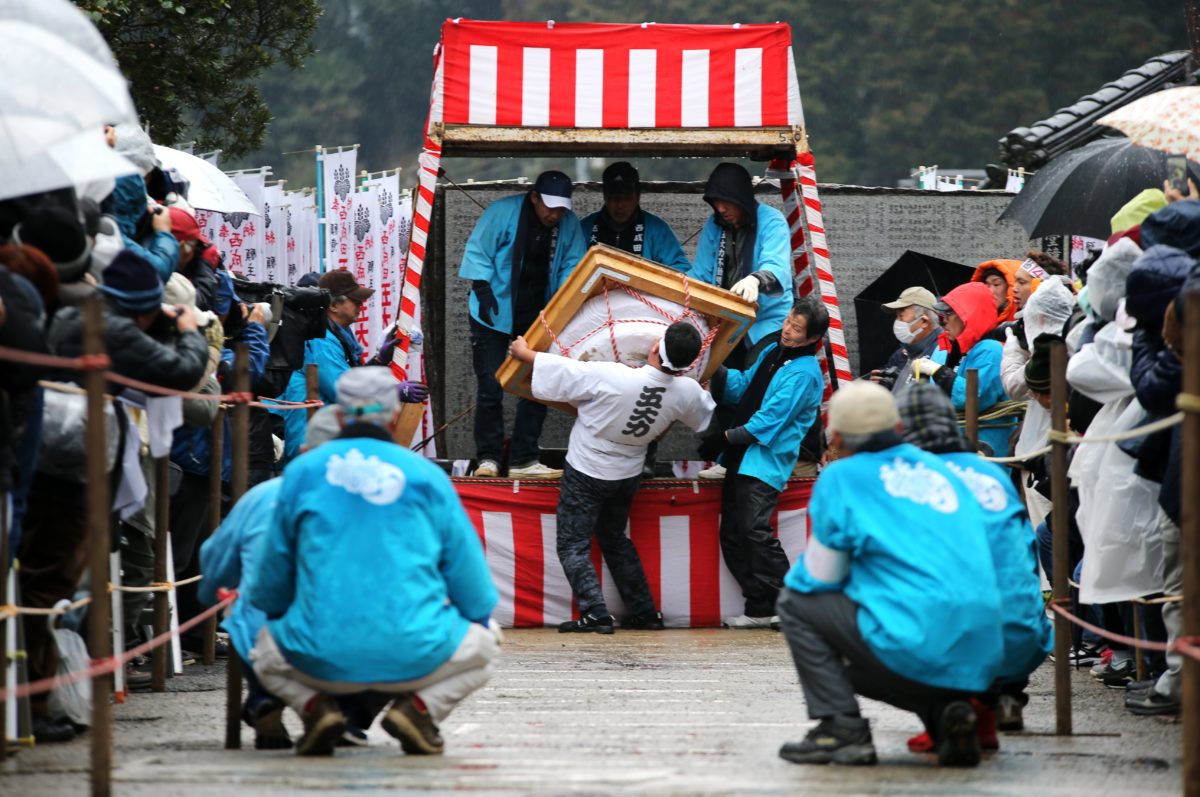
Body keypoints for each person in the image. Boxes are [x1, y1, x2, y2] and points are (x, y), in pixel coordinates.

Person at [251, 367, 499, 757]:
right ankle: (418, 710)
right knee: (486, 644)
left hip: (318, 654)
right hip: (415, 650)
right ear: (393, 414)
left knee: (263, 649)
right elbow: (474, 587)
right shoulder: (425, 475)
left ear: (340, 414)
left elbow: (269, 585)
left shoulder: (301, 473)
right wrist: (475, 616)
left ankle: (316, 708)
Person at [20, 250, 209, 742]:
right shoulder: (115, 329)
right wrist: (189, 330)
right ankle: (34, 706)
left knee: (48, 585)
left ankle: (38, 700)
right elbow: (180, 374)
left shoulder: (70, 315)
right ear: (141, 306)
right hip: (75, 468)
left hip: (43, 457)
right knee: (53, 589)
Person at [775, 380, 1002, 769]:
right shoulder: (944, 470)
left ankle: (842, 728)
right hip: (986, 653)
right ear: (898, 428)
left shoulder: (840, 477)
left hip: (913, 637)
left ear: (839, 440)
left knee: (796, 604)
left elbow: (819, 579)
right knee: (911, 625)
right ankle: (947, 712)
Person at [508, 321, 716, 633]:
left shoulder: (613, 375)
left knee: (572, 544)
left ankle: (596, 613)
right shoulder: (686, 392)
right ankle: (645, 612)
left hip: (587, 469)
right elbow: (704, 413)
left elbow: (565, 370)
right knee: (615, 539)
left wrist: (525, 353)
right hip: (628, 473)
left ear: (656, 347)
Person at [897, 382, 1052, 746]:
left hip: (963, 636)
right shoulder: (992, 474)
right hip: (1028, 638)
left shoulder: (915, 482)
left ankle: (951, 708)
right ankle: (1007, 694)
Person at [459, 170, 588, 479]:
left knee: (539, 385)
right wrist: (482, 288)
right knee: (491, 385)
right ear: (534, 197)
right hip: (493, 310)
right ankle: (488, 458)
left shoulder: (567, 224)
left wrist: (564, 304)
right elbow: (479, 251)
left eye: (561, 208)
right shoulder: (501, 212)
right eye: (549, 206)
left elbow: (574, 264)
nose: (554, 214)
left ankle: (524, 459)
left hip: (539, 314)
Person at [710, 297, 827, 628]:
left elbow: (770, 421)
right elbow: (742, 387)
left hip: (763, 462)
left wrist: (727, 437)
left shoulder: (805, 373)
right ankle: (760, 606)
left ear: (812, 339)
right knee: (733, 534)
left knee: (754, 530)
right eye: (789, 320)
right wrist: (713, 367)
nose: (787, 329)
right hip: (739, 457)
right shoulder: (772, 352)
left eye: (797, 328)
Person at [690, 163, 793, 365]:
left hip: (766, 322)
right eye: (716, 201)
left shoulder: (773, 221)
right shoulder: (714, 224)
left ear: (742, 198)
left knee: (753, 371)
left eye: (726, 201)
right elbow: (701, 274)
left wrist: (755, 280)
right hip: (722, 322)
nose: (720, 208)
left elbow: (776, 266)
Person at [276, 269, 371, 460]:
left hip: (325, 440)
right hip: (312, 444)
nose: (362, 305)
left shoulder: (337, 334)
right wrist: (391, 393)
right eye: (355, 300)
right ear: (334, 305)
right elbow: (343, 390)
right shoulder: (321, 340)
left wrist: (380, 362)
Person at [912, 281, 1011, 456]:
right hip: (954, 450)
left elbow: (973, 399)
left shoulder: (991, 350)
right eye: (942, 316)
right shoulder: (954, 350)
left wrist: (940, 373)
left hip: (984, 456)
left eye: (949, 314)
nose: (943, 322)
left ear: (968, 315)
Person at [578, 162, 689, 270]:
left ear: (638, 196)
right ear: (605, 196)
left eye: (627, 198)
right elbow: (570, 269)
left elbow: (681, 269)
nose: (620, 205)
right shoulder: (584, 229)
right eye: (614, 198)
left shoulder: (657, 229)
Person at [867, 286, 942, 394]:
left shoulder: (942, 353)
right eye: (896, 316)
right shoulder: (903, 353)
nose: (897, 322)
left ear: (924, 322)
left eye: (901, 315)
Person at [970, 259, 1021, 325]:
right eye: (986, 284)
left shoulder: (1022, 322)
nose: (990, 291)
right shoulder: (972, 318)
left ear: (1010, 287)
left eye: (996, 284)